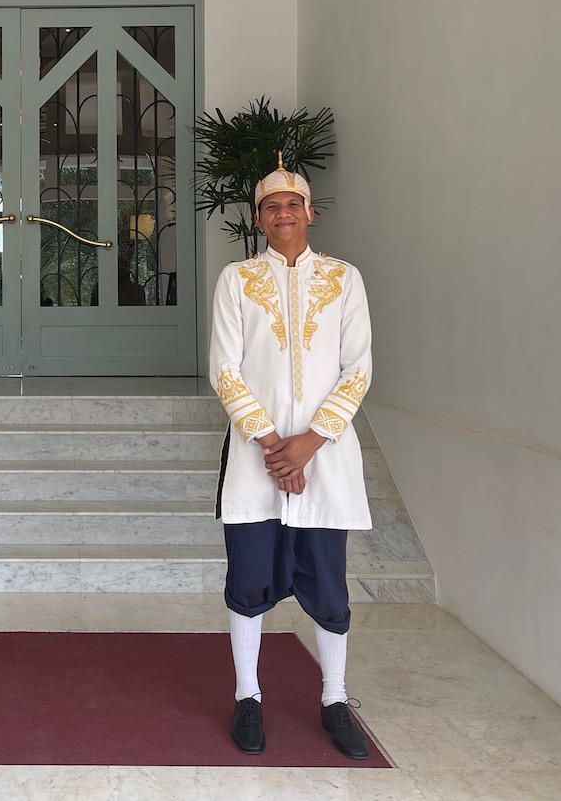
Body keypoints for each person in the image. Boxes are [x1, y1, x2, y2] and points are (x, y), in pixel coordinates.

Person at [208, 155, 373, 759]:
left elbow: (358, 369)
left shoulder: (344, 278)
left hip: (325, 455)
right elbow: (224, 369)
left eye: (292, 204)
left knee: (329, 585)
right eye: (272, 206)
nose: (283, 213)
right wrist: (273, 444)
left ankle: (334, 699)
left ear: (311, 213)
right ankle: (247, 696)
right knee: (248, 577)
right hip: (257, 455)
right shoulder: (237, 279)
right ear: (259, 218)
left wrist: (310, 443)